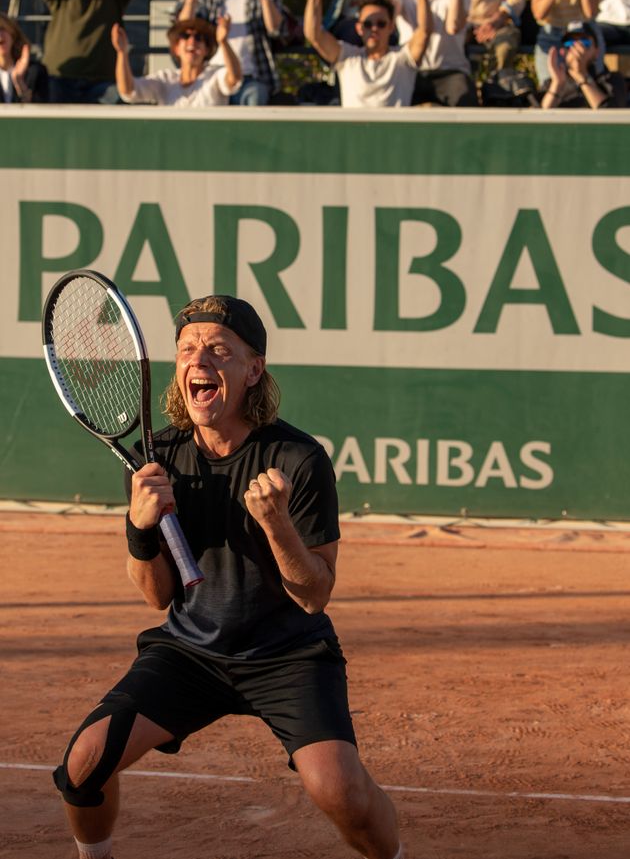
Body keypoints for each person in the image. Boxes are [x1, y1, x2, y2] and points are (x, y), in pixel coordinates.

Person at [51, 293, 404, 859]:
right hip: (190, 653)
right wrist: (139, 528)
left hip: (287, 654)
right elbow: (157, 596)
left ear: (253, 369)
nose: (200, 360)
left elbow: (315, 596)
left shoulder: (298, 458)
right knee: (84, 765)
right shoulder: (155, 458)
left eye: (219, 349)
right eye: (188, 349)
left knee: (341, 793)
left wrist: (278, 525)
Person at [176, 0, 283, 106]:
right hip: (213, 75)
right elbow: (183, 28)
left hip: (250, 78)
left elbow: (275, 28)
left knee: (255, 99)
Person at [304, 0, 432, 108]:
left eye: (381, 24)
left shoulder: (402, 59)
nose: (374, 28)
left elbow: (424, 31)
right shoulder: (347, 57)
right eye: (368, 24)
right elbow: (314, 35)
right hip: (353, 129)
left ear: (391, 27)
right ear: (359, 28)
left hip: (393, 129)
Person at [382, 0, 477, 107]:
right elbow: (384, 21)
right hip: (411, 71)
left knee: (465, 100)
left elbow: (454, 26)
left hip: (450, 71)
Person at [112, 15, 242, 107]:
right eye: (185, 36)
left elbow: (234, 78)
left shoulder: (215, 75)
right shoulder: (165, 79)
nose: (192, 41)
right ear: (176, 48)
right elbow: (128, 91)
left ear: (207, 50)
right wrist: (122, 52)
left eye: (199, 38)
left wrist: (223, 42)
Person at [541, 21, 626, 106]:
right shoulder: (552, 83)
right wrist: (557, 84)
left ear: (597, 52)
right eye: (570, 43)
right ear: (563, 51)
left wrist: (581, 75)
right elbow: (541, 116)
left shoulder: (611, 80)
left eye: (585, 43)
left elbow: (609, 115)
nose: (577, 49)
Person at [0, 12, 48, 103]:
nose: (0, 35)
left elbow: (42, 111)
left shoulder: (35, 72)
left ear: (13, 34)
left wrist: (20, 83)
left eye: (3, 29)